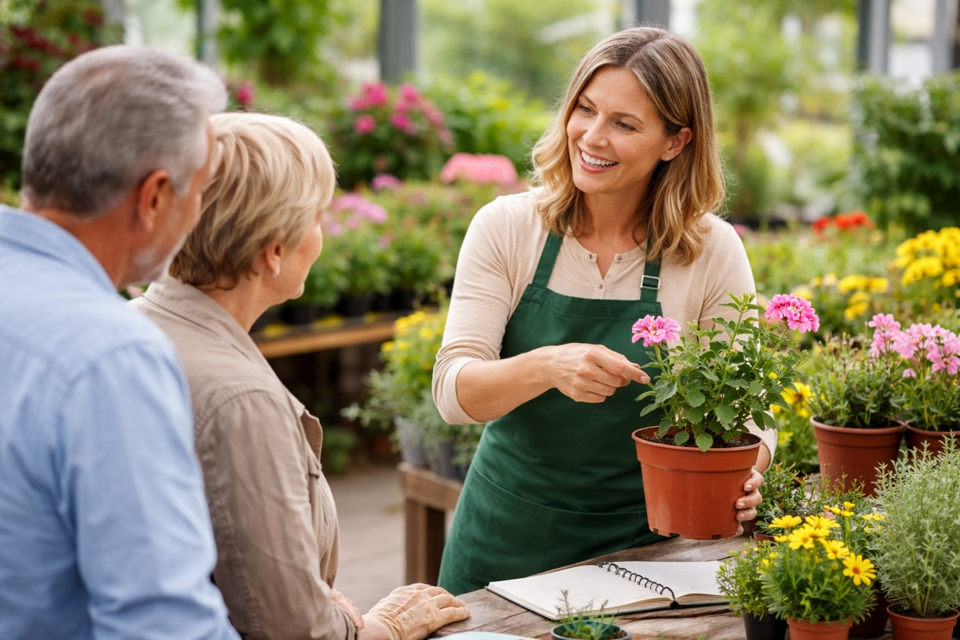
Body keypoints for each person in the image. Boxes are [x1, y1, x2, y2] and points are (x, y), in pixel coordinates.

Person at [433, 26, 778, 595]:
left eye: (624, 123)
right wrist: (547, 365)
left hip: (648, 549)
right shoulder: (508, 227)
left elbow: (750, 410)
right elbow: (453, 392)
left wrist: (748, 474)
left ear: (676, 141)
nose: (591, 137)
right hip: (504, 539)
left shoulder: (710, 250)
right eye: (585, 109)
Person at [130, 112, 470, 640]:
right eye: (316, 218)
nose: (322, 235)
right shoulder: (239, 399)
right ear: (274, 251)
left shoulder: (131, 327)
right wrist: (385, 627)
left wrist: (293, 587)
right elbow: (293, 631)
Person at [0, 47, 237, 639]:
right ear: (154, 197)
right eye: (202, 190)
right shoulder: (112, 355)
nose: (200, 211)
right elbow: (163, 624)